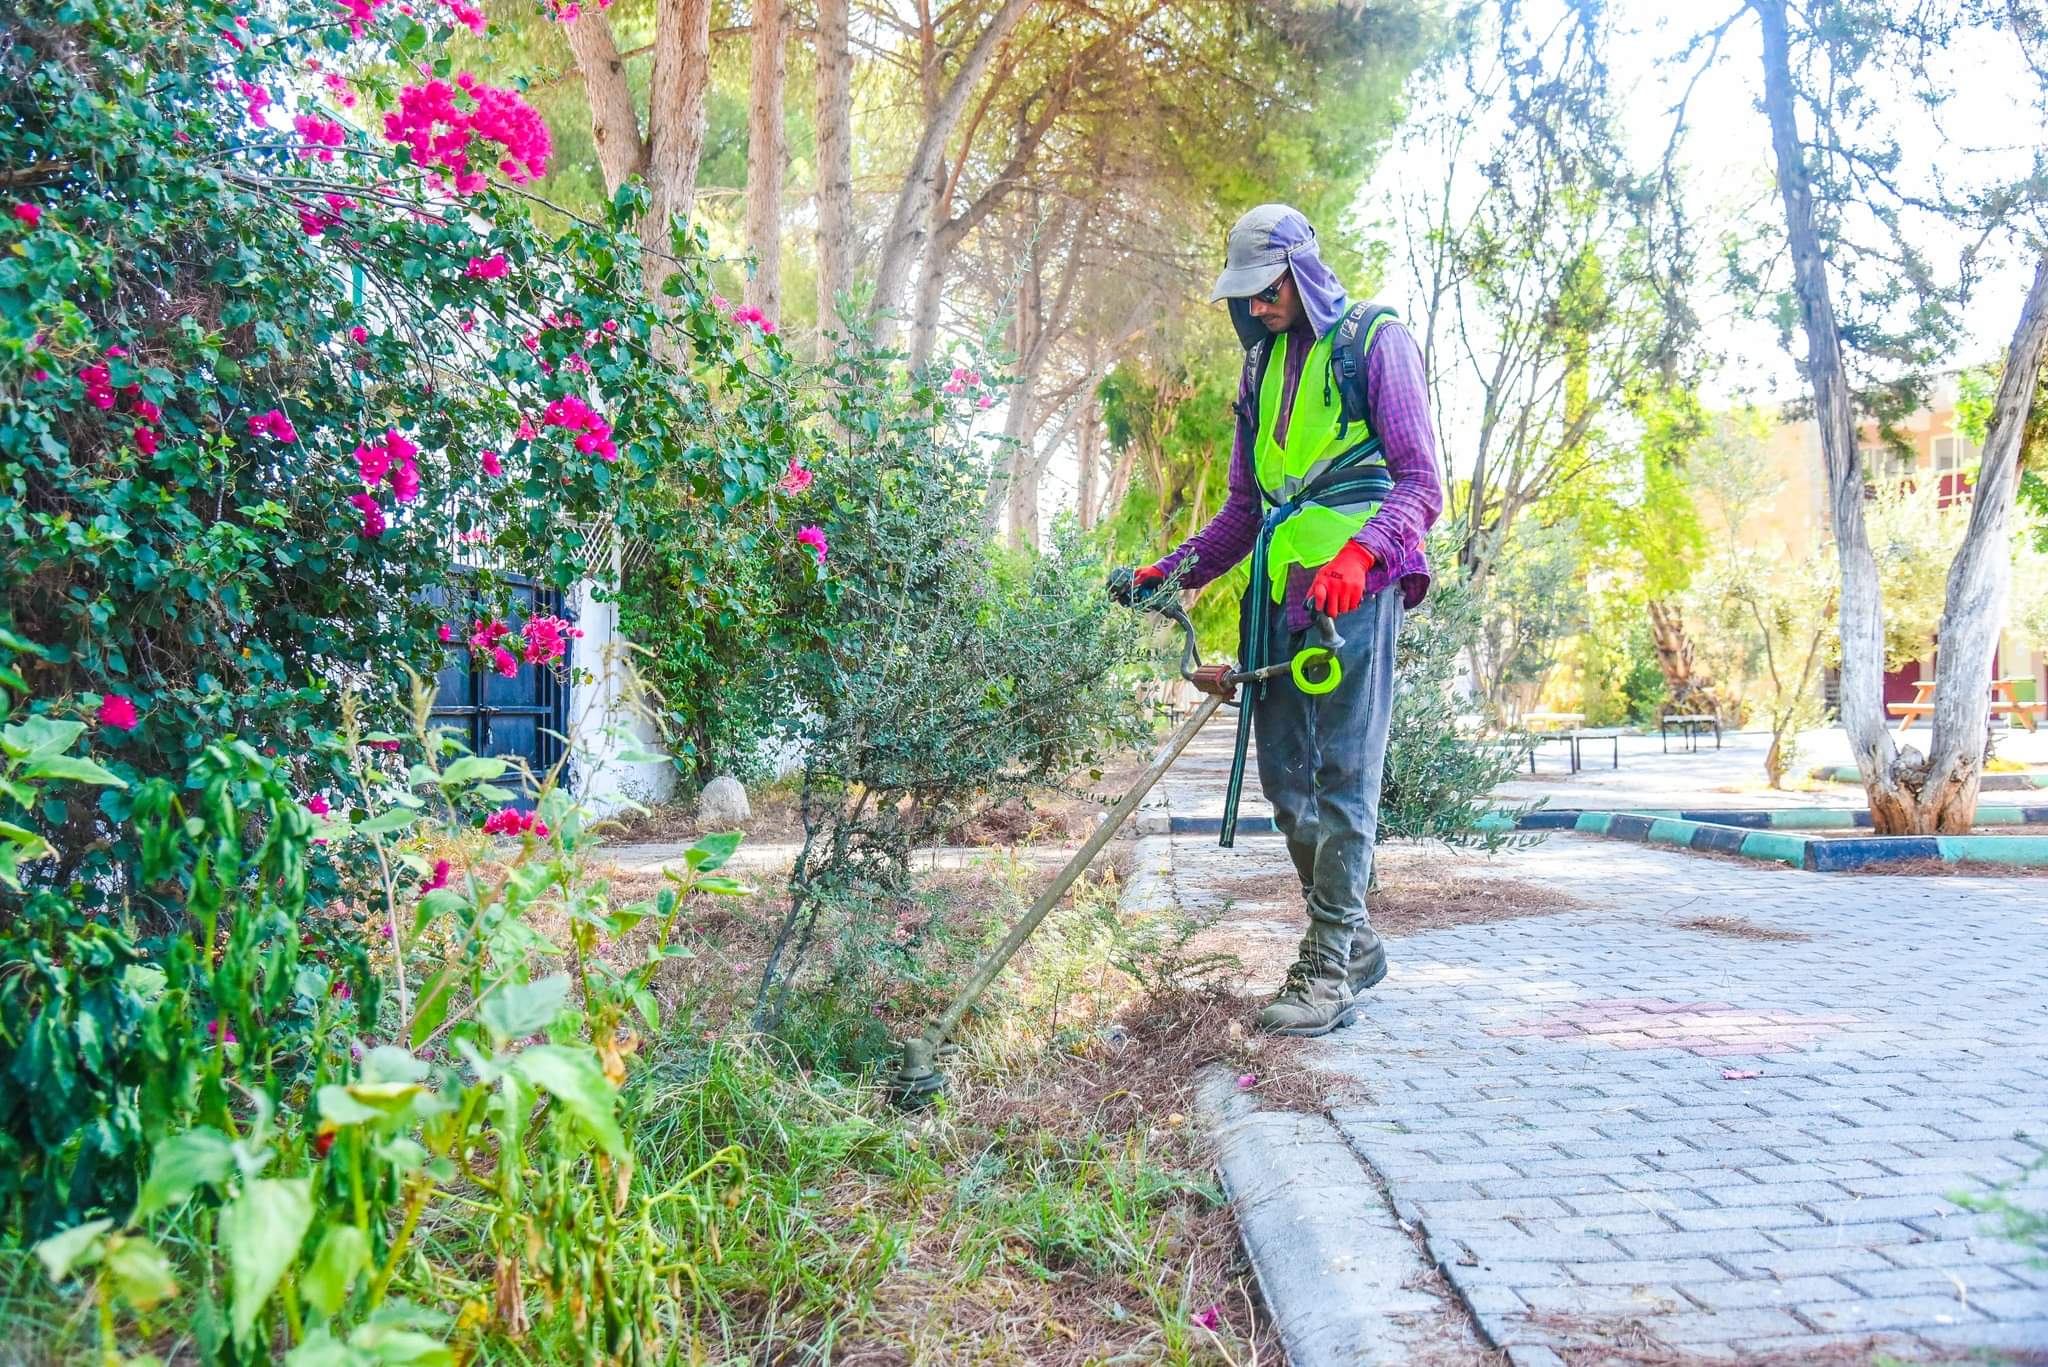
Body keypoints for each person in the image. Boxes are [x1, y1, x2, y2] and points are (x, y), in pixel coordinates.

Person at [1112, 203, 1443, 1037]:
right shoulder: (1259, 374)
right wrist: (1169, 574)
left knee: (1343, 784)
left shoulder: (1375, 342)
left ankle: (1328, 964)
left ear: (1300, 271)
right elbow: (1239, 513)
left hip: (1350, 595)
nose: (1255, 308)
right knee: (1287, 786)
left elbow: (1420, 483)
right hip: (1277, 597)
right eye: (1245, 297)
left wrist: (1361, 556)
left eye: (1266, 291)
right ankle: (1356, 939)